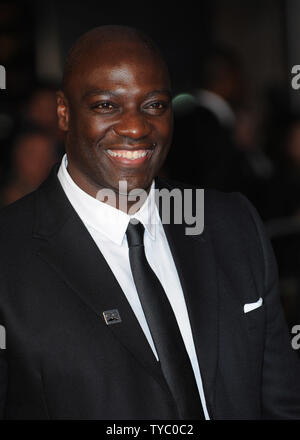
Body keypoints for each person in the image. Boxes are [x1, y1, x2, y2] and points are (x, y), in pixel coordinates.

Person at [0, 25, 299, 420]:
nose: (137, 127)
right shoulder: (9, 255)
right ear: (64, 112)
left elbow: (283, 406)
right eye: (107, 105)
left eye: (154, 104)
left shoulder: (232, 223)